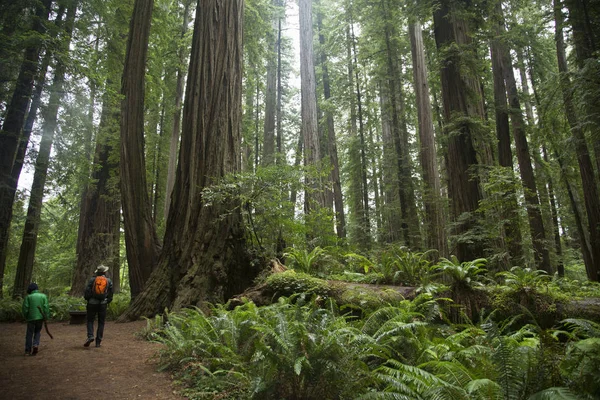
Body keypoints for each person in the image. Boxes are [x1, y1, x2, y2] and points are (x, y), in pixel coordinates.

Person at [84, 264, 113, 348]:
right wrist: (108, 300)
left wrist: (88, 299)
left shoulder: (92, 280)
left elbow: (87, 291)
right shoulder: (108, 280)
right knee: (101, 322)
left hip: (92, 303)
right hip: (103, 304)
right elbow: (110, 293)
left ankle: (90, 336)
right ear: (104, 272)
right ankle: (98, 342)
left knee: (90, 320)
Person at [22, 282, 50, 356]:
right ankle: (35, 345)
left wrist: (25, 316)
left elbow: (25, 309)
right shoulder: (43, 296)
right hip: (40, 317)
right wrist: (46, 317)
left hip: (30, 318)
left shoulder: (28, 297)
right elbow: (46, 307)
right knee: (37, 331)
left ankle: (27, 350)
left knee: (29, 333)